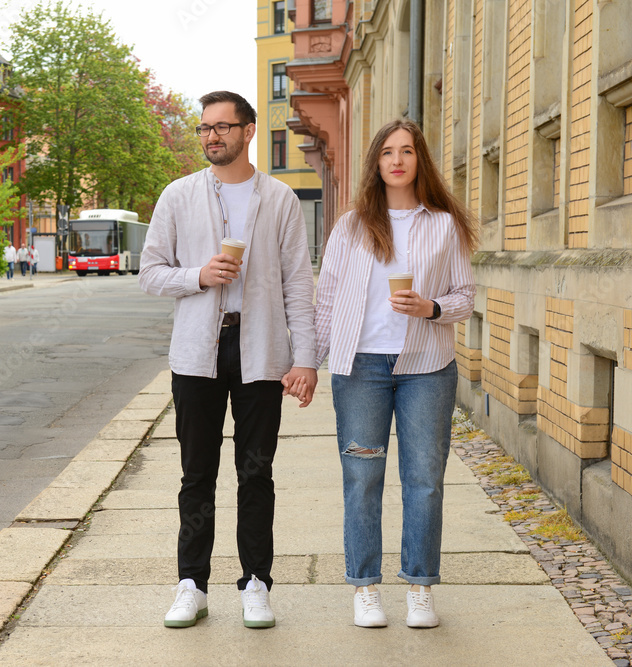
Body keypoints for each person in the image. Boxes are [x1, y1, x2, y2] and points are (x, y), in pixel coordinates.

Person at [139, 90, 318, 630]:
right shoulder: (178, 195)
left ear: (248, 130)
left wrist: (305, 358)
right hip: (198, 352)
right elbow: (149, 273)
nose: (211, 136)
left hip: (261, 353)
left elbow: (298, 285)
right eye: (203, 128)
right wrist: (199, 275)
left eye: (222, 126)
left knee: (255, 473)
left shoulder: (280, 199)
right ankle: (191, 583)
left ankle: (256, 582)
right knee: (197, 474)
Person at [311, 118, 478, 629]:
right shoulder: (352, 225)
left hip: (427, 368)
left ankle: (420, 587)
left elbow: (464, 298)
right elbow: (328, 298)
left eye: (406, 151)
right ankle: (365, 588)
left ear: (418, 159)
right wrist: (309, 364)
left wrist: (430, 308)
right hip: (361, 368)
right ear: (376, 163)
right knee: (363, 478)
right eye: (387, 152)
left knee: (425, 480)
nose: (397, 160)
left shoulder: (444, 224)